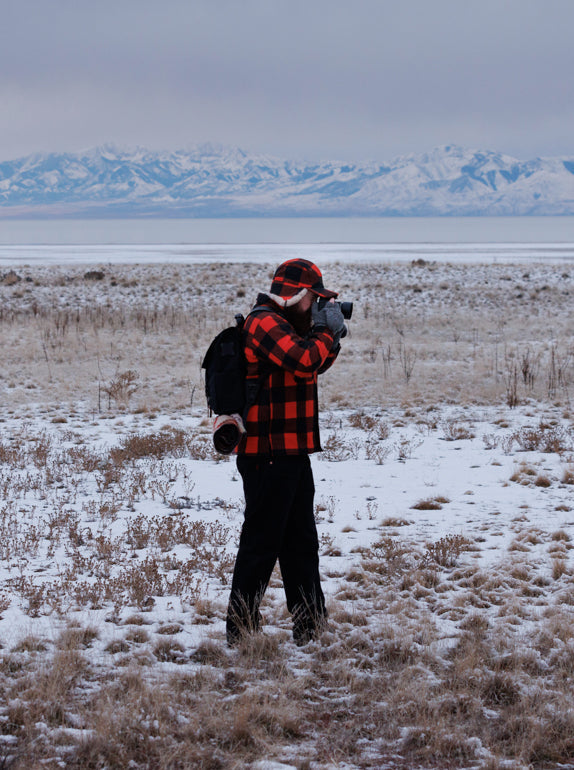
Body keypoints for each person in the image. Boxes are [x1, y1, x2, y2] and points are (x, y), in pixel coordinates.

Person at [226, 258, 347, 646]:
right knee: (261, 545)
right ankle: (240, 628)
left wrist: (331, 336)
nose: (315, 307)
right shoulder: (264, 323)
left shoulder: (288, 325)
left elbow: (313, 367)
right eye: (314, 300)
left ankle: (310, 625)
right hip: (267, 453)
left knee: (301, 543)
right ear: (299, 295)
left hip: (291, 451)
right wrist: (325, 332)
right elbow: (304, 358)